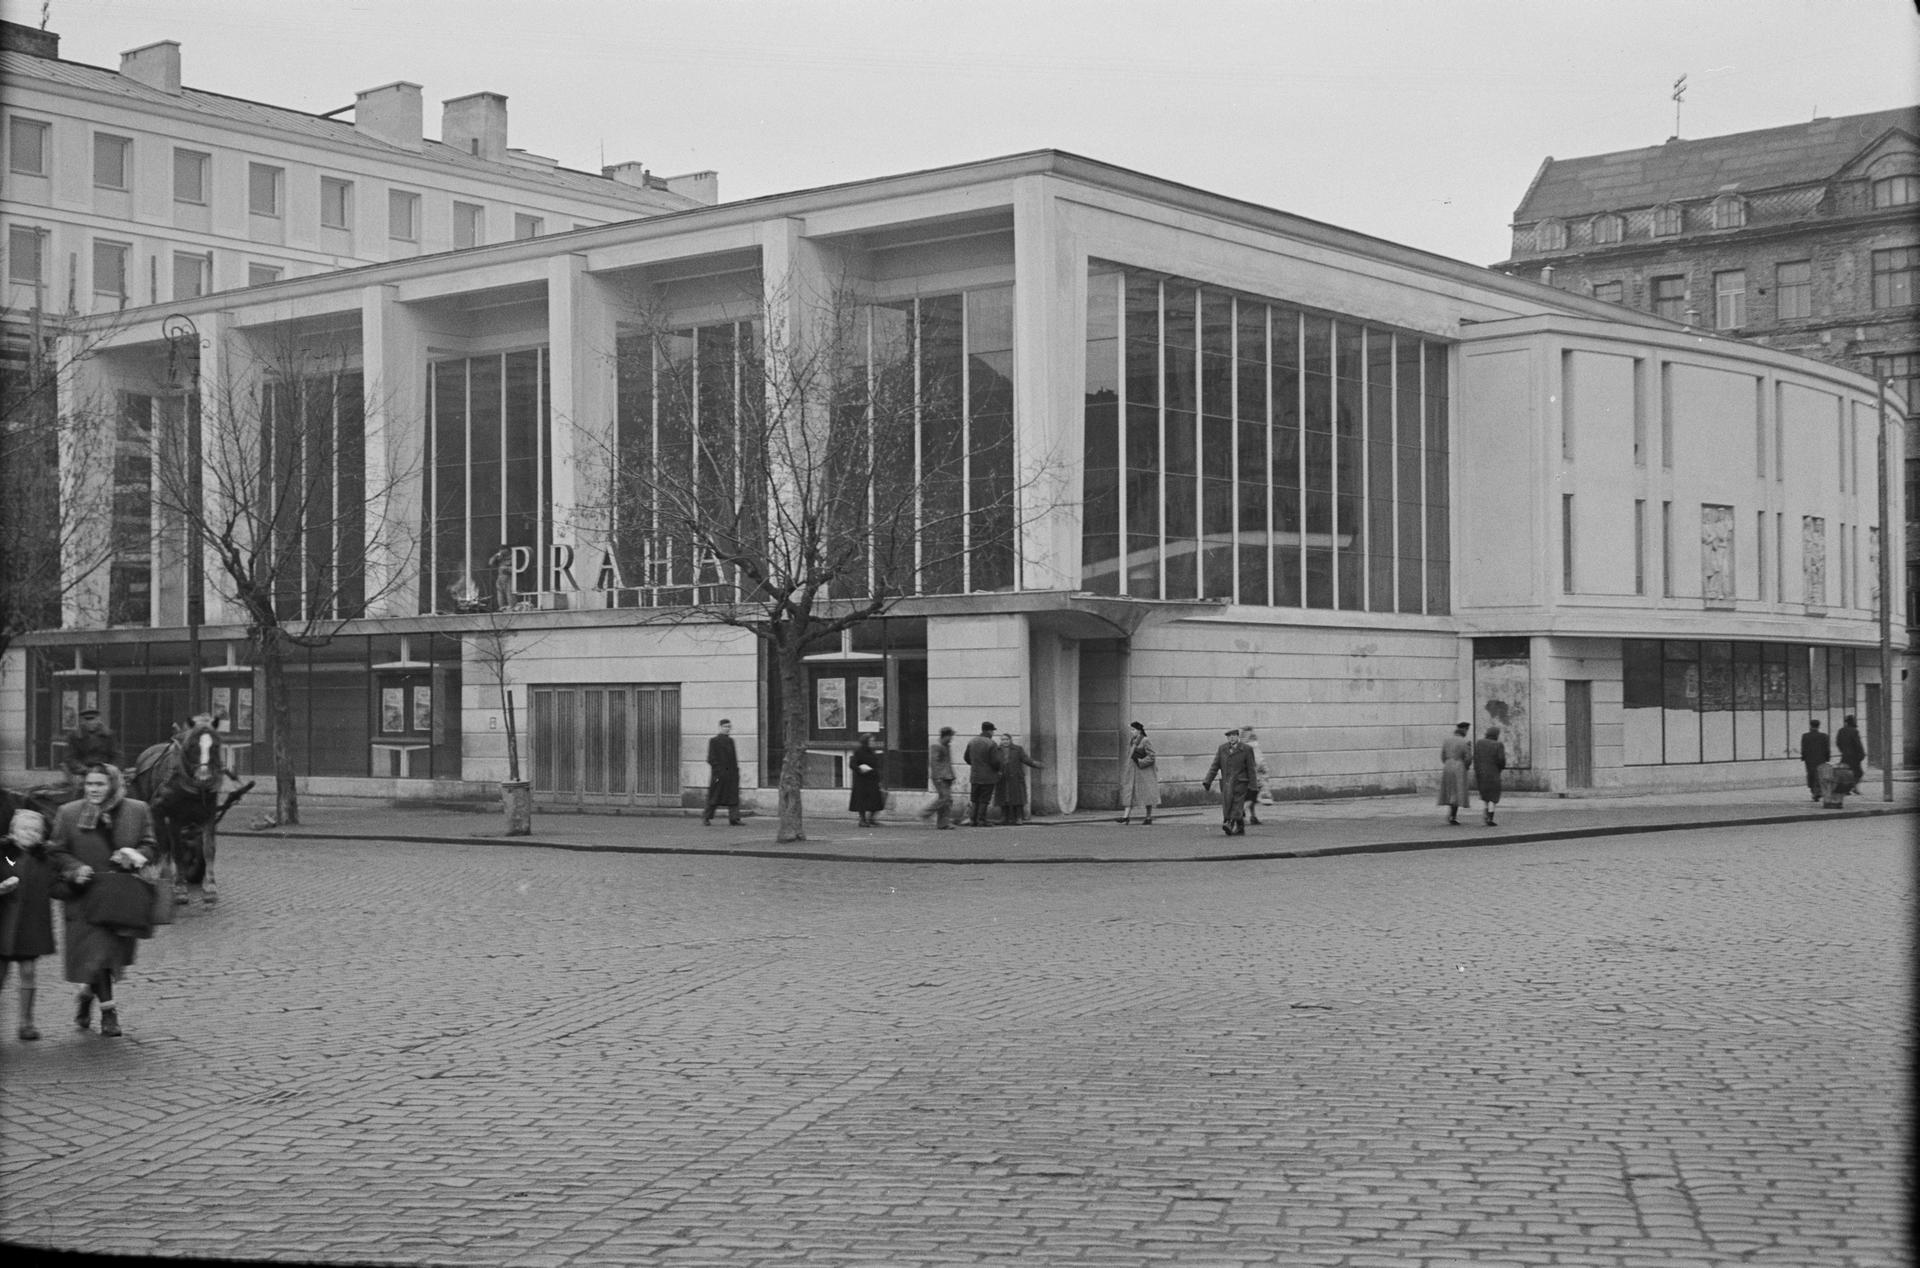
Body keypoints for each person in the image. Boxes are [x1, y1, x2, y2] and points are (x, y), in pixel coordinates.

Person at [49, 765, 157, 1039]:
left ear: (114, 785)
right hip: (83, 897)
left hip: (120, 896)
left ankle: (86, 995)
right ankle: (109, 1012)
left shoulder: (137, 810)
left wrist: (134, 855)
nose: (93, 790)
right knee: (96, 953)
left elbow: (151, 846)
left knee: (108, 956)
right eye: (89, 784)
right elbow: (57, 851)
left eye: (99, 784)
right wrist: (74, 869)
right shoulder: (69, 813)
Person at [1, 808, 58, 1041]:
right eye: (24, 829)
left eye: (35, 830)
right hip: (3, 924)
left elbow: (56, 885)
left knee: (29, 971)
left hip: (30, 925)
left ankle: (26, 1021)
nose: (30, 833)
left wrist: (76, 884)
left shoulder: (44, 859)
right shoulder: (6, 854)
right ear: (14, 831)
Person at [1202, 728, 1258, 836]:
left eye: (1233, 736)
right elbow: (1215, 766)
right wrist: (1207, 780)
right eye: (1229, 736)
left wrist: (1253, 786)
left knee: (1236, 803)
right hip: (1227, 783)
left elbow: (1251, 769)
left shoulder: (1246, 749)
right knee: (1228, 804)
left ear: (1238, 736)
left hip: (1241, 783)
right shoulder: (1222, 749)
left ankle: (1229, 823)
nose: (1231, 738)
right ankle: (1240, 827)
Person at [992, 732, 1044, 826]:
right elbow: (993, 763)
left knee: (1017, 798)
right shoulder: (997, 750)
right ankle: (1004, 817)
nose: (1005, 741)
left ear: (1010, 740)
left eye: (1007, 739)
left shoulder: (1017, 749)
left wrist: (1036, 764)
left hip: (1015, 777)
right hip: (1002, 778)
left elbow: (1025, 759)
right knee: (1004, 797)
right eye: (1003, 740)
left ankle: (1018, 817)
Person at [61, 708, 118, 787]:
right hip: (82, 772)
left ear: (99, 720)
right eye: (87, 720)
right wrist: (85, 770)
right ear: (82, 721)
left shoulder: (109, 735)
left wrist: (108, 769)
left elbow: (116, 755)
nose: (90, 722)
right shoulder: (74, 736)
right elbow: (70, 758)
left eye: (93, 719)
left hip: (105, 771)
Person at [702, 719, 743, 826]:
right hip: (719, 774)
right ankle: (706, 817)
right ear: (720, 727)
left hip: (731, 774)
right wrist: (718, 770)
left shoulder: (731, 741)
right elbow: (711, 758)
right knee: (714, 796)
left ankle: (734, 818)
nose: (727, 729)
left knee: (733, 797)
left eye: (729, 727)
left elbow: (734, 759)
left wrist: (736, 772)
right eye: (725, 726)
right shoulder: (714, 741)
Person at [961, 722, 1002, 827]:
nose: (993, 733)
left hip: (975, 775)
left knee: (974, 798)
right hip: (988, 777)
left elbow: (966, 758)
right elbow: (995, 762)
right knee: (984, 799)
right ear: (989, 731)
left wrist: (975, 764)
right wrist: (998, 770)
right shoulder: (991, 743)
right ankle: (981, 820)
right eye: (992, 731)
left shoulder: (972, 742)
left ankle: (972, 820)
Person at [1118, 721, 1158, 826]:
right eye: (1131, 729)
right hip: (1132, 771)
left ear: (1139, 730)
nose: (1132, 732)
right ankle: (1126, 817)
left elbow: (1152, 756)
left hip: (1144, 772)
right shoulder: (1132, 741)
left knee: (1147, 794)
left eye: (1133, 729)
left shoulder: (1145, 740)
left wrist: (1140, 762)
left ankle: (1148, 817)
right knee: (1129, 792)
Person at [919, 726, 957, 829]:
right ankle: (925, 813)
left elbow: (948, 763)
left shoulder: (946, 746)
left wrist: (952, 776)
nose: (952, 739)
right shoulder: (937, 746)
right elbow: (934, 763)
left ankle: (943, 823)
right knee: (945, 798)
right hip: (940, 777)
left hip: (947, 777)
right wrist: (938, 776)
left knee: (947, 800)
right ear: (946, 736)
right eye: (950, 736)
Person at [1437, 721, 1473, 825]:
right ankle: (1453, 815)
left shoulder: (1447, 740)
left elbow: (1442, 756)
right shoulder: (1465, 742)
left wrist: (1447, 762)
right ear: (1464, 730)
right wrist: (1466, 766)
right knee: (1458, 790)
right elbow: (1468, 757)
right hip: (1459, 766)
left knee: (1449, 790)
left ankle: (1451, 812)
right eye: (1467, 730)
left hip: (1448, 765)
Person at [849, 733, 887, 828]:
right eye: (871, 741)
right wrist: (860, 769)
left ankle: (871, 819)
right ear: (866, 741)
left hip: (872, 779)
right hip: (862, 780)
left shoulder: (872, 751)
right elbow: (852, 764)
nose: (873, 743)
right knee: (862, 801)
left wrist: (878, 778)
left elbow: (876, 765)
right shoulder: (859, 751)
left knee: (876, 799)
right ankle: (862, 820)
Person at [1472, 725, 1508, 826]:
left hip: (1481, 773)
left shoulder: (1479, 743)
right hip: (1493, 772)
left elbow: (1475, 758)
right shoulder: (1498, 745)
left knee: (1485, 794)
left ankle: (1486, 812)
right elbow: (1501, 760)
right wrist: (1500, 768)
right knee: (1493, 795)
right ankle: (1490, 817)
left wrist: (1477, 770)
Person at [1240, 724, 1268, 825]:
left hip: (1243, 777)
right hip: (1254, 777)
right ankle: (1241, 812)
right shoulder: (1253, 746)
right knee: (1252, 797)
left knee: (1249, 796)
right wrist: (1264, 771)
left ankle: (1253, 816)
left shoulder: (1241, 745)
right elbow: (1259, 761)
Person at [1798, 718, 1831, 803]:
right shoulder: (1824, 736)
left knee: (1811, 775)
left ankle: (1814, 792)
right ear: (1819, 726)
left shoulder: (1805, 736)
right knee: (1820, 775)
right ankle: (1818, 791)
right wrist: (1827, 758)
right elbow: (1827, 749)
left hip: (1809, 759)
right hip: (1821, 759)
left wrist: (1803, 757)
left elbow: (1803, 748)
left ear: (1810, 726)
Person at [1835, 714, 1866, 782]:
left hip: (1845, 755)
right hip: (1854, 756)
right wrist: (1862, 754)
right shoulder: (1854, 731)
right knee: (1858, 773)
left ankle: (1848, 787)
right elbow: (1858, 744)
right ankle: (1853, 787)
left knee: (1845, 772)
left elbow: (1838, 743)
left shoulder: (1841, 730)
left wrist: (1843, 750)